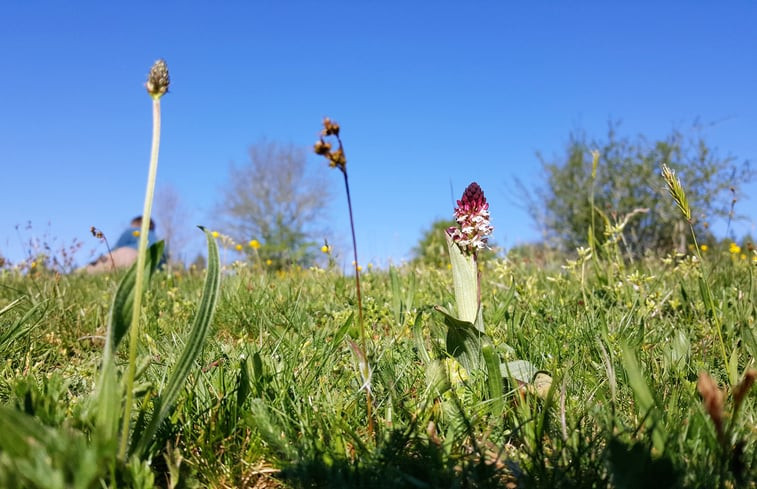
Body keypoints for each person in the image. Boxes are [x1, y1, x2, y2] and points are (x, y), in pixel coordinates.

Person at [82, 216, 167, 273]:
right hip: (153, 264)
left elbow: (116, 248)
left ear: (135, 224)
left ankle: (83, 271)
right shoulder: (158, 239)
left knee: (100, 264)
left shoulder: (133, 231)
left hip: (130, 255)